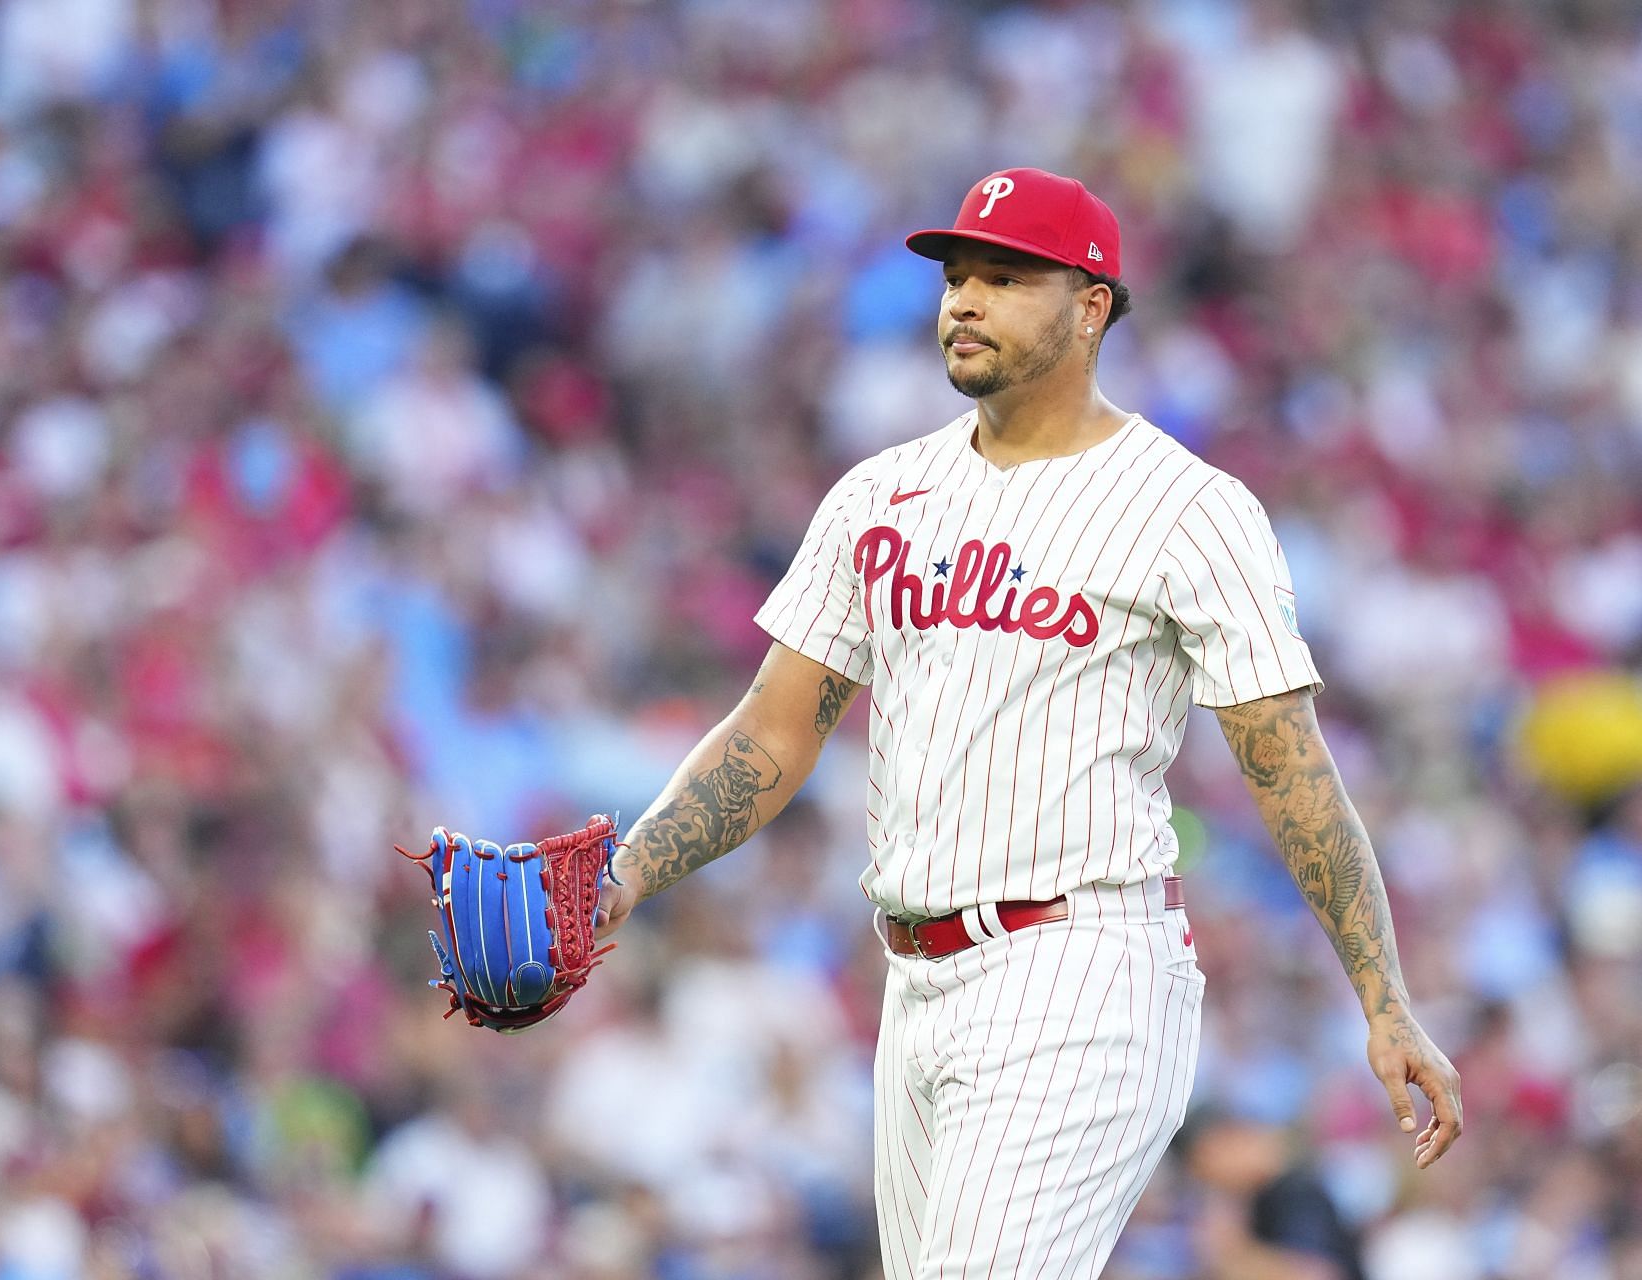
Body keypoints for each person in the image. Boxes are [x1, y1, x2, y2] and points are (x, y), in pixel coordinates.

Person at [593, 167, 1463, 1279]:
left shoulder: (1187, 507)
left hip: (1081, 963)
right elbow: (772, 733)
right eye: (957, 278)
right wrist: (623, 873)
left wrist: (1384, 999)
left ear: (1091, 303)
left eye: (1004, 278)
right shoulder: (879, 494)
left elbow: (1291, 770)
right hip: (913, 985)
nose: (963, 301)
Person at [1174, 1104, 1368, 1280]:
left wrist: (1232, 1251)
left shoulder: (1296, 1189)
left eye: (1205, 1164)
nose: (1209, 1180)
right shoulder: (1253, 1198)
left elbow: (1319, 1275)